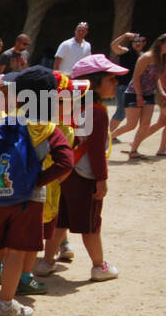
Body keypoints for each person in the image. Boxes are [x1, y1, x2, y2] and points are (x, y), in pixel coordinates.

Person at [0, 66, 75, 316]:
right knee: (15, 252)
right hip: (27, 201)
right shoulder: (47, 129)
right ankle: (5, 304)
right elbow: (66, 162)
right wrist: (36, 181)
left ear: (20, 97)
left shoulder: (0, 120)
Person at [42, 55, 125, 282]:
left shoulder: (68, 108)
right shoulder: (97, 111)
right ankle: (99, 266)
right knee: (91, 223)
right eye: (111, 78)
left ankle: (46, 261)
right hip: (86, 176)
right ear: (95, 82)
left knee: (61, 219)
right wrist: (102, 178)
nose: (115, 83)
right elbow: (97, 150)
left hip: (65, 173)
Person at [122, 33, 166, 158]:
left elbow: (157, 78)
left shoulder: (162, 58)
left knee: (145, 124)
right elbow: (136, 76)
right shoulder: (147, 56)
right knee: (131, 125)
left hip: (149, 94)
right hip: (134, 93)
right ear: (160, 43)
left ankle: (133, 151)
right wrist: (139, 95)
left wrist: (162, 92)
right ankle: (108, 138)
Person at [108, 31, 144, 135]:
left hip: (136, 88)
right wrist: (124, 36)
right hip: (123, 86)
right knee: (121, 112)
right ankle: (110, 135)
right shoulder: (126, 52)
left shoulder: (143, 56)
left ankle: (112, 135)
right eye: (135, 41)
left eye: (140, 41)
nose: (138, 43)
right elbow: (113, 46)